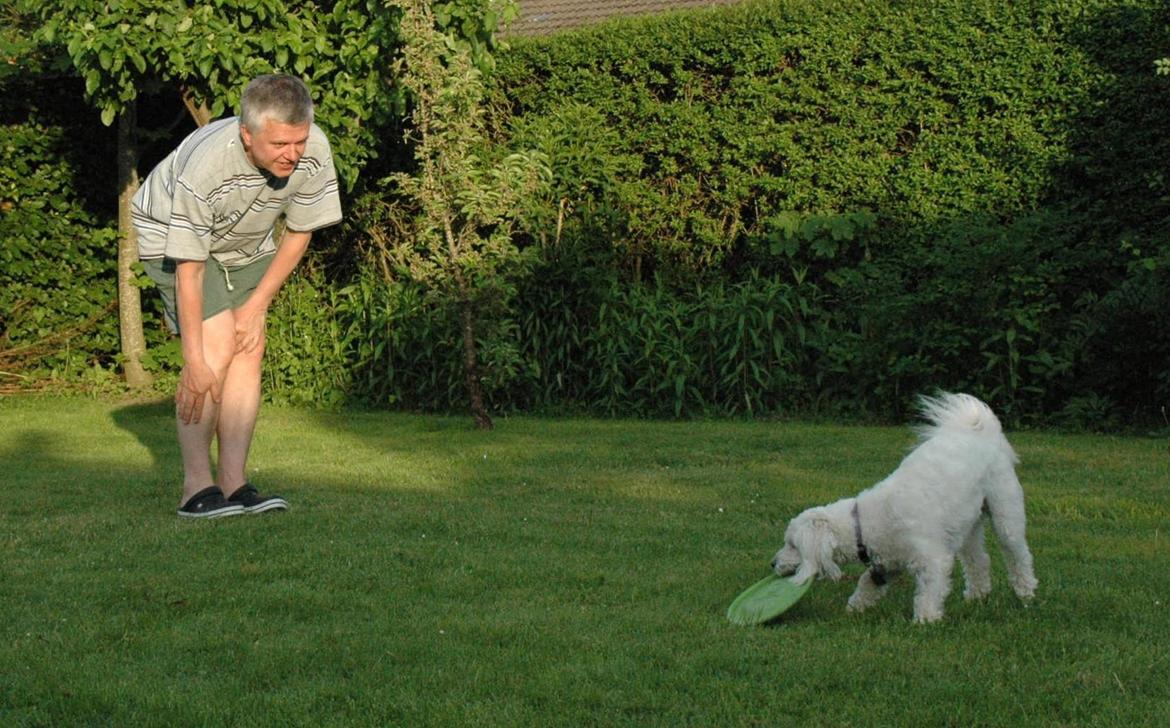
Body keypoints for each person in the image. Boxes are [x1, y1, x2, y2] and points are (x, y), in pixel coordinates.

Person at [133, 74, 342, 518]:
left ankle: (233, 482)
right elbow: (189, 270)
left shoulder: (313, 148)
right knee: (215, 346)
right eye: (280, 144)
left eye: (299, 140)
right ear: (247, 135)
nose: (293, 153)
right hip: (168, 233)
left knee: (249, 343)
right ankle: (195, 488)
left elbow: (300, 230)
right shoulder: (208, 166)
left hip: (246, 243)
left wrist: (258, 304)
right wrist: (194, 361)